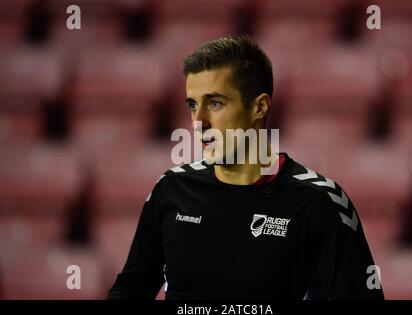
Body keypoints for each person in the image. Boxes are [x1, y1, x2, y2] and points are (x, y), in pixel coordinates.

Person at [108, 35, 384, 300]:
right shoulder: (170, 190)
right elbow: (130, 290)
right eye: (193, 105)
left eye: (215, 103)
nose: (199, 122)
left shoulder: (320, 203)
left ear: (259, 107)